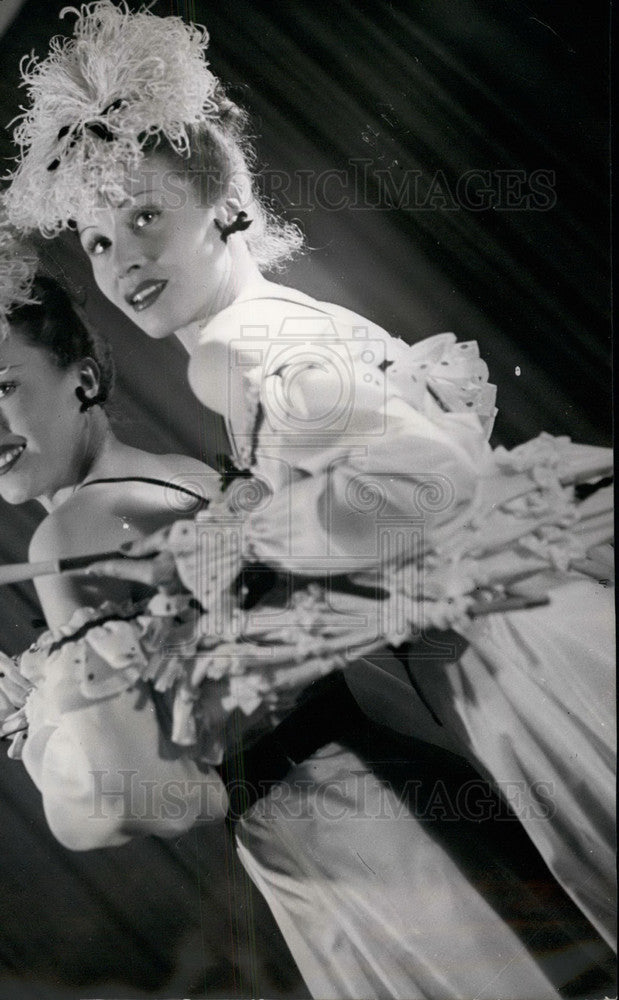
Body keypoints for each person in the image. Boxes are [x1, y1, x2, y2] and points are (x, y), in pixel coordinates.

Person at [3, 2, 614, 993]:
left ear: (225, 205)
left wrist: (239, 544)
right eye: (99, 242)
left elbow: (426, 481)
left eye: (145, 216)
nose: (122, 262)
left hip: (520, 659)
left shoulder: (234, 355)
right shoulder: (263, 333)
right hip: (500, 655)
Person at [0, 232, 228, 846]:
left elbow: (159, 803)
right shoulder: (184, 471)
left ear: (83, 377)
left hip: (316, 845)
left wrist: (48, 725)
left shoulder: (65, 539)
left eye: (3, 388)